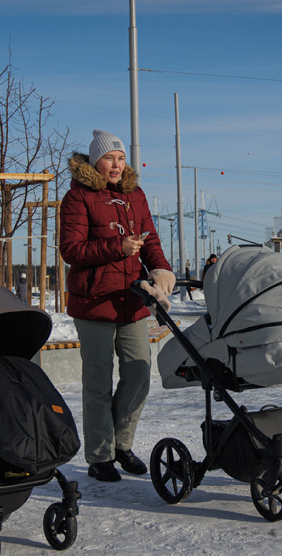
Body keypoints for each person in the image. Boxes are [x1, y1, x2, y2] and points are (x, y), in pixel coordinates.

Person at [60, 129, 174, 483]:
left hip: (132, 299)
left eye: (121, 158)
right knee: (98, 382)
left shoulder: (135, 195)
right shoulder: (77, 197)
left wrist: (160, 267)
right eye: (109, 158)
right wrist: (116, 248)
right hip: (94, 302)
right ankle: (100, 455)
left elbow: (150, 239)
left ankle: (122, 445)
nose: (116, 164)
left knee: (139, 373)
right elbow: (71, 251)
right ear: (95, 161)